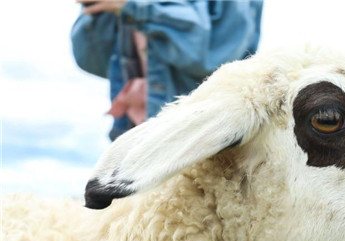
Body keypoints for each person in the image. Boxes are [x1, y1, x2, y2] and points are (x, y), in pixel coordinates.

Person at [71, 0, 263, 141]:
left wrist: (136, 9)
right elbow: (90, 59)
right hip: (135, 135)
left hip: (200, 141)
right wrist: (96, 10)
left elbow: (215, 57)